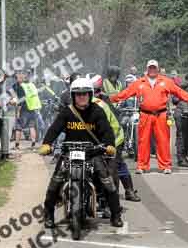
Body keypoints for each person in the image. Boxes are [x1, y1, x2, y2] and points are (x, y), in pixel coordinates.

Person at [38, 77, 122, 227]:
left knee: (107, 182)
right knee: (55, 183)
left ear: (90, 95)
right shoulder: (67, 112)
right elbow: (54, 129)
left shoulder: (97, 111)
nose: (81, 97)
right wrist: (47, 144)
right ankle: (49, 214)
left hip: (92, 153)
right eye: (78, 94)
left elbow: (106, 131)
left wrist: (109, 145)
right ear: (73, 95)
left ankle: (116, 215)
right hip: (69, 152)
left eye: (85, 93)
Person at [110, 60, 188, 174]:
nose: (152, 70)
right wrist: (110, 99)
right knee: (143, 141)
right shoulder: (139, 82)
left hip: (161, 115)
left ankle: (165, 166)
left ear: (158, 69)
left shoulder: (166, 81)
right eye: (150, 68)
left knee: (163, 141)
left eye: (154, 67)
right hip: (145, 115)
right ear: (147, 69)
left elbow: (179, 92)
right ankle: (142, 166)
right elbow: (125, 93)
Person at [90, 75, 140, 202]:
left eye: (96, 91)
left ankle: (122, 195)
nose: (94, 94)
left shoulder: (104, 103)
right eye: (91, 91)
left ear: (100, 91)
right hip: (98, 139)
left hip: (115, 138)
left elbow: (109, 126)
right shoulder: (85, 102)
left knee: (114, 166)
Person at [12, 71, 41, 149]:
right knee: (32, 126)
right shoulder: (31, 85)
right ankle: (33, 144)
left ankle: (17, 145)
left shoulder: (20, 87)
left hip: (24, 109)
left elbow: (21, 100)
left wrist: (18, 111)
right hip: (33, 108)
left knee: (18, 126)